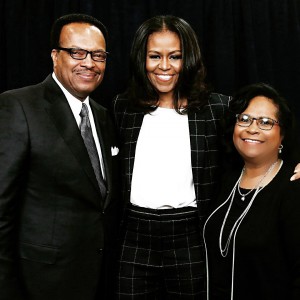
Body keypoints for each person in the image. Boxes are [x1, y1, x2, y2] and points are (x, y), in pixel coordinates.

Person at [112, 15, 300, 299]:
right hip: (134, 236)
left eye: (175, 56)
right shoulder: (123, 107)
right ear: (142, 59)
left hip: (190, 234)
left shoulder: (216, 107)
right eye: (154, 56)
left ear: (189, 59)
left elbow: (265, 130)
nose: (164, 66)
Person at [0, 13, 119, 300]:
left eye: (98, 55)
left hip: (98, 279)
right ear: (55, 56)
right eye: (76, 52)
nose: (89, 62)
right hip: (38, 283)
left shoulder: (103, 116)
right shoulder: (19, 106)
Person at [203, 83, 300, 299]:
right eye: (244, 119)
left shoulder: (293, 188)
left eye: (266, 122)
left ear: (282, 134)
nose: (252, 128)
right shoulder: (225, 180)